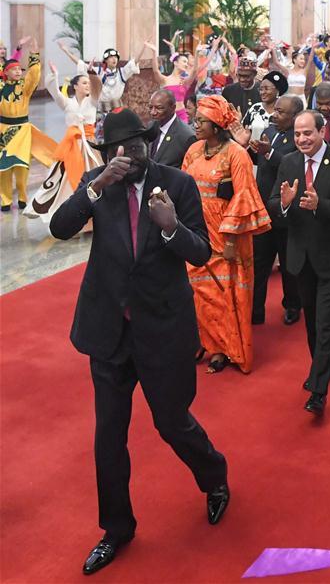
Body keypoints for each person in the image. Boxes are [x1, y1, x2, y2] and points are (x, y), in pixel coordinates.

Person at [48, 108, 230, 575]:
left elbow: (201, 251)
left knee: (171, 423)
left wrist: (170, 226)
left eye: (136, 147)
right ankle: (117, 528)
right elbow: (59, 227)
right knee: (108, 436)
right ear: (107, 152)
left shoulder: (178, 183)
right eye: (117, 149)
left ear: (148, 145)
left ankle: (214, 477)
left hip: (162, 329)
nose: (128, 155)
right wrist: (97, 185)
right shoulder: (98, 184)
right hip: (109, 331)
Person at [270, 110, 330, 416]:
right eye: (297, 134)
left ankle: (318, 388)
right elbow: (273, 203)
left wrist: (320, 205)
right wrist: (284, 203)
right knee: (311, 319)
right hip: (300, 256)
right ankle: (323, 364)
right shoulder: (288, 162)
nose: (301, 139)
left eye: (307, 133)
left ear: (322, 132)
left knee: (327, 322)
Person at [182, 95, 272, 373]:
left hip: (225, 231)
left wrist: (231, 238)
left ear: (217, 126)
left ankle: (224, 349)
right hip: (196, 226)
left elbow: (244, 196)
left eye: (201, 121)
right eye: (195, 120)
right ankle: (202, 341)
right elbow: (183, 184)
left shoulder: (237, 155)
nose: (195, 125)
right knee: (197, 289)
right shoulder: (194, 150)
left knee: (223, 291)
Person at [249, 94, 304, 326]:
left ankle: (292, 305)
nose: (274, 115)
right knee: (259, 263)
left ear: (295, 117)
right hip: (263, 208)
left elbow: (290, 163)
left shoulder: (300, 138)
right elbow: (258, 158)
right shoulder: (269, 131)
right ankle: (255, 310)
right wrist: (248, 146)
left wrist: (269, 152)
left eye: (281, 112)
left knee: (288, 264)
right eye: (276, 110)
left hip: (286, 211)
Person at [24, 63, 102, 222]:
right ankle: (69, 216)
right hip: (71, 147)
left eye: (88, 83)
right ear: (75, 86)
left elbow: (97, 87)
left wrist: (91, 74)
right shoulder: (67, 103)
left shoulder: (92, 101)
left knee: (94, 179)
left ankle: (96, 216)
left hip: (90, 147)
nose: (88, 85)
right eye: (84, 83)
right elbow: (55, 92)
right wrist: (54, 75)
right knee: (64, 182)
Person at [0, 39, 56, 211]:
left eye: (19, 69)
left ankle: (23, 197)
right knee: (3, 167)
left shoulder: (24, 87)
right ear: (6, 73)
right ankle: (5, 200)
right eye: (14, 69)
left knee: (22, 166)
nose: (18, 72)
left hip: (22, 130)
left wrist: (34, 56)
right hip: (3, 130)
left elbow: (33, 75)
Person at [57, 42, 149, 112]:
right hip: (100, 109)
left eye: (116, 57)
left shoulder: (122, 72)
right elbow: (80, 64)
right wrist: (66, 51)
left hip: (117, 108)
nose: (114, 59)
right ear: (105, 60)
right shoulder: (99, 71)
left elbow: (134, 62)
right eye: (111, 57)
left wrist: (144, 47)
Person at [147, 41, 203, 123]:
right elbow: (155, 71)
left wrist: (197, 52)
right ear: (176, 63)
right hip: (167, 115)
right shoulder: (165, 80)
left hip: (181, 115)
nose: (186, 64)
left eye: (187, 62)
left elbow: (194, 71)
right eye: (184, 61)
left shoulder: (184, 81)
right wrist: (154, 52)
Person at [233, 70, 287, 147]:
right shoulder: (255, 108)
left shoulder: (284, 110)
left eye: (266, 88)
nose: (262, 92)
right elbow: (243, 132)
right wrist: (238, 122)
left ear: (277, 90)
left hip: (276, 154)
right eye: (261, 89)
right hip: (253, 154)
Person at [147, 88, 197, 168]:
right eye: (150, 107)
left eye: (159, 108)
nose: (153, 112)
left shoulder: (187, 136)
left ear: (173, 108)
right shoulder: (150, 126)